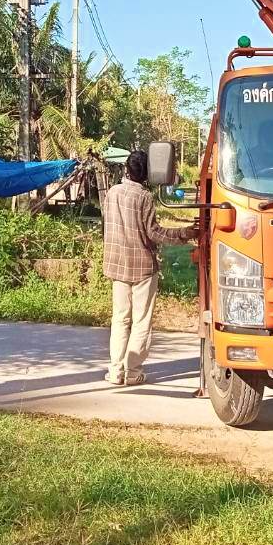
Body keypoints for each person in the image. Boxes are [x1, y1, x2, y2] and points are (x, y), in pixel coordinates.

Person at [102, 149, 199, 386]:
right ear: (147, 174)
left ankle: (115, 371)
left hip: (116, 265)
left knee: (120, 319)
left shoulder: (112, 193)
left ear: (126, 169)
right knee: (141, 320)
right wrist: (183, 234)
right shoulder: (144, 197)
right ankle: (133, 372)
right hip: (143, 266)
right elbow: (154, 233)